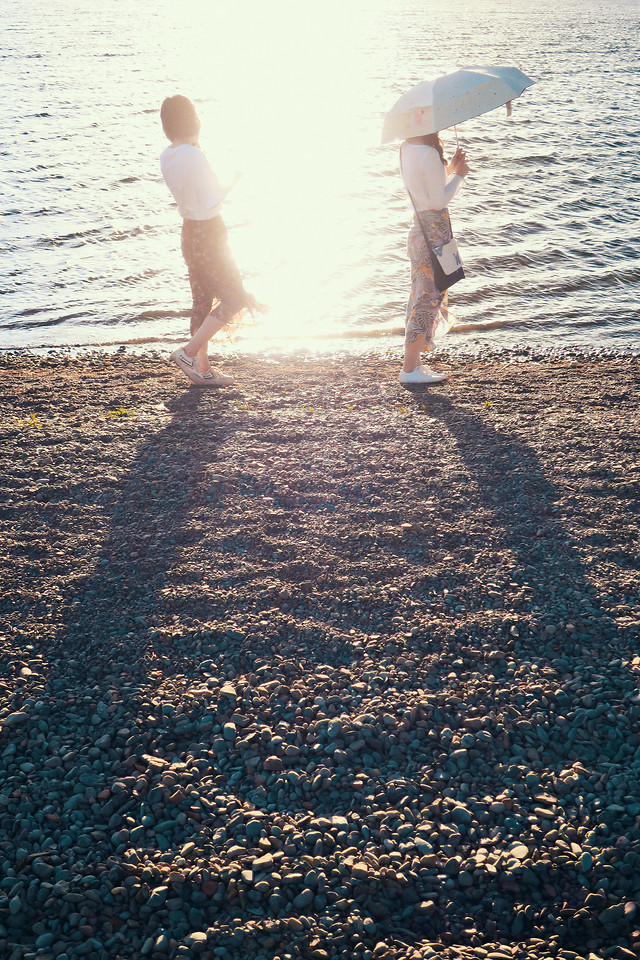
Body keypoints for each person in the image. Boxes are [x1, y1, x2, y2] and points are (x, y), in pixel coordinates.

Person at [159, 95, 265, 387]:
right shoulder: (194, 155)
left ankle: (202, 370)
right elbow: (213, 196)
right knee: (234, 297)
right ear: (192, 120)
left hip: (189, 232)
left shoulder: (168, 155)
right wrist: (235, 179)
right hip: (210, 231)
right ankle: (188, 352)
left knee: (202, 300)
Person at [399, 133, 469, 384]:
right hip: (432, 235)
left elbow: (425, 189)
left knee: (420, 296)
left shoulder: (407, 147)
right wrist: (459, 175)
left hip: (419, 232)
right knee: (426, 300)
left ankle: (415, 366)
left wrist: (450, 167)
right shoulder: (428, 153)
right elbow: (438, 200)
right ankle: (409, 370)